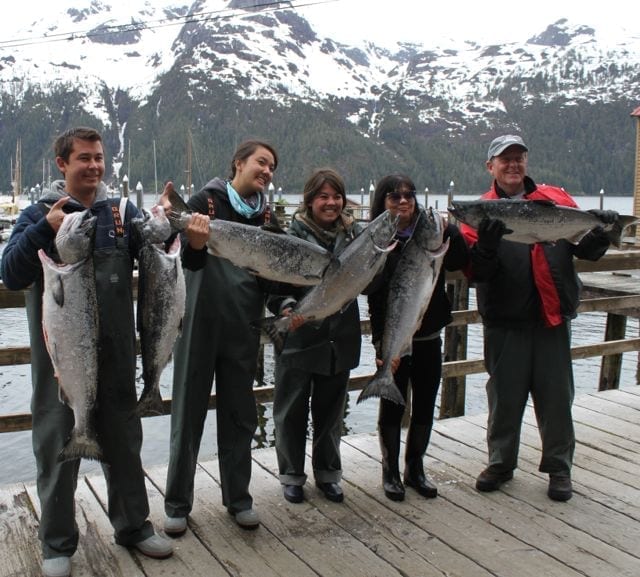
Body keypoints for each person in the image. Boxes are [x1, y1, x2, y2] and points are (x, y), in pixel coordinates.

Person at [0, 127, 174, 577]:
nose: (93, 166)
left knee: (124, 445)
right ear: (63, 163)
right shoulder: (40, 212)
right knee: (57, 446)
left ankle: (133, 526)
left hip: (117, 359)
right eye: (83, 158)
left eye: (98, 158)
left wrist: (166, 225)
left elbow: (154, 252)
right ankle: (57, 544)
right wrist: (44, 229)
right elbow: (12, 273)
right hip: (61, 365)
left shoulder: (119, 212)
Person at [460, 134, 618, 502]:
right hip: (504, 322)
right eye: (505, 159)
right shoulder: (481, 211)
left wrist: (605, 230)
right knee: (504, 399)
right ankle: (500, 462)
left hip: (551, 318)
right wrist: (485, 246)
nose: (512, 165)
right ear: (491, 167)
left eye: (519, 158)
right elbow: (476, 272)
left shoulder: (556, 200)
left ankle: (559, 467)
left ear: (526, 162)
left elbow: (588, 251)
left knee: (557, 399)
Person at [163, 139, 282, 533]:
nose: (266, 171)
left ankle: (239, 499)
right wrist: (192, 241)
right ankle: (178, 503)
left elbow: (273, 276)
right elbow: (181, 257)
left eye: (272, 168)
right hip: (199, 323)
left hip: (243, 327)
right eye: (261, 163)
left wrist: (285, 305)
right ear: (239, 163)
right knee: (187, 414)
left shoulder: (266, 217)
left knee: (240, 416)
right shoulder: (206, 201)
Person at [367, 175, 469, 502]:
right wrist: (382, 346)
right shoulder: (376, 240)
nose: (403, 200)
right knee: (392, 407)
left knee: (425, 404)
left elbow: (463, 261)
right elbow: (374, 299)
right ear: (382, 202)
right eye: (394, 196)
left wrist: (451, 230)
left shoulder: (434, 234)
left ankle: (415, 468)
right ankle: (390, 471)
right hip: (396, 341)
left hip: (429, 338)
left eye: (409, 195)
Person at [267, 168, 362, 504]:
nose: (331, 203)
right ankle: (291, 475)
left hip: (340, 339)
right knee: (290, 411)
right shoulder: (288, 237)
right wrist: (287, 307)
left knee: (331, 412)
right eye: (323, 196)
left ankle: (328, 474)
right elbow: (273, 287)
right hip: (298, 338)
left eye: (336, 196)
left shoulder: (355, 237)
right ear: (309, 200)